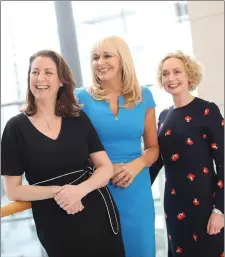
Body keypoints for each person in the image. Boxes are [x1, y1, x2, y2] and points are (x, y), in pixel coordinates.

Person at [1, 50, 125, 257]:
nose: (40, 78)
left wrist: (79, 190)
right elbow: (13, 191)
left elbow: (105, 167)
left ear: (61, 81)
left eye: (48, 72)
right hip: (55, 222)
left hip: (97, 214)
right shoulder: (15, 128)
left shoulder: (78, 118)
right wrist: (61, 192)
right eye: (35, 72)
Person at [76, 36, 159, 257]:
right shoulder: (79, 98)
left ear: (122, 59)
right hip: (98, 188)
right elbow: (71, 147)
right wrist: (104, 169)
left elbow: (153, 148)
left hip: (136, 188)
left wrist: (136, 165)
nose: (100, 62)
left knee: (141, 249)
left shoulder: (144, 95)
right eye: (95, 57)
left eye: (107, 55)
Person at [150, 51, 224, 257]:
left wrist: (221, 210)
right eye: (165, 74)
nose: (171, 78)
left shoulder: (207, 110)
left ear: (189, 75)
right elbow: (156, 162)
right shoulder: (164, 116)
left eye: (176, 72)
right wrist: (131, 187)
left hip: (206, 204)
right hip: (174, 204)